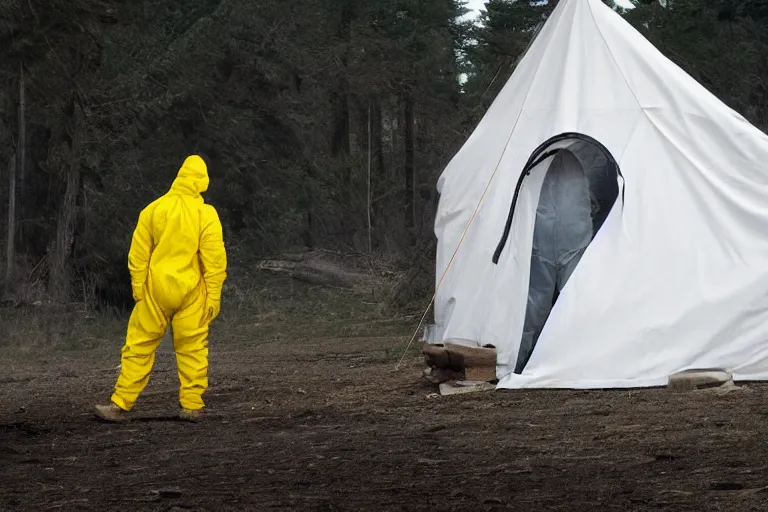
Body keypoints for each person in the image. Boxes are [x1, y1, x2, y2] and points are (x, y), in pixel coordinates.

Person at [94, 155, 227, 422]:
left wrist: (138, 288)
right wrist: (213, 295)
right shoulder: (207, 214)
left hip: (154, 288)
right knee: (193, 348)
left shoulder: (153, 209)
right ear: (202, 182)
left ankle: (120, 404)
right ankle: (192, 405)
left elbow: (138, 254)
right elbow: (214, 260)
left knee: (139, 346)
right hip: (191, 290)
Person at [515, 150, 593, 374]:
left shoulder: (533, 145)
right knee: (557, 299)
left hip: (557, 232)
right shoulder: (581, 152)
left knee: (543, 301)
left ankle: (526, 360)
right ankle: (529, 359)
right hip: (559, 232)